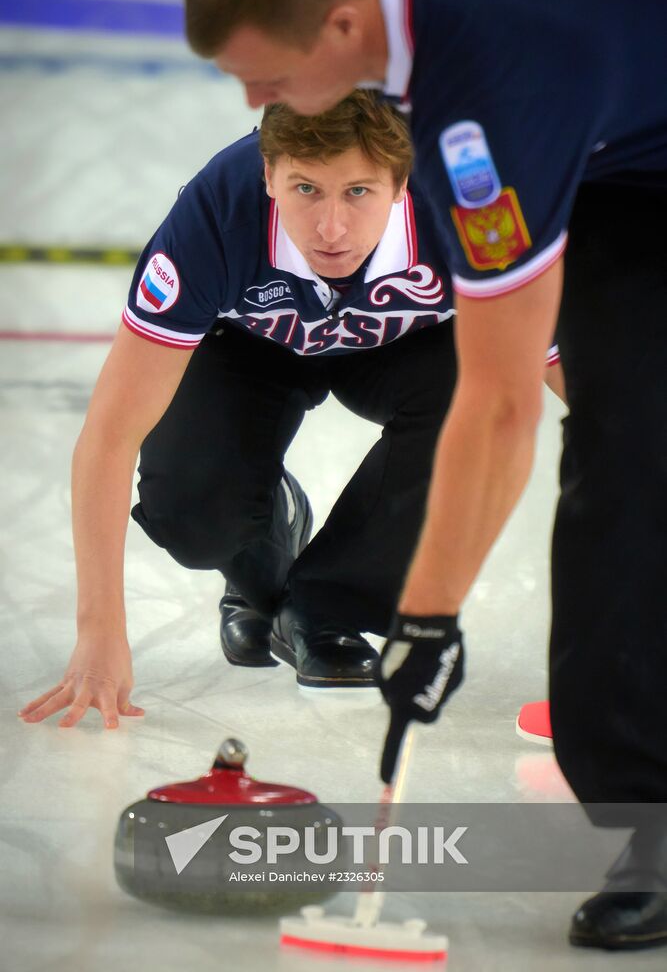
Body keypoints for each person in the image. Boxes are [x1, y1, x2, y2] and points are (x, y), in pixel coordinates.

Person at [183, 0, 667, 951]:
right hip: (618, 160)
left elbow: (493, 409)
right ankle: (651, 825)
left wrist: (427, 615)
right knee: (622, 451)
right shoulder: (424, 81)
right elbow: (505, 383)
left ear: (345, 26)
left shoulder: (483, 96)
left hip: (614, 109)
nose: (252, 107)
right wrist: (426, 614)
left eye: (267, 76)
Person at [17, 90, 463, 722]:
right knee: (193, 520)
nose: (331, 228)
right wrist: (97, 633)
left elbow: (580, 397)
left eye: (358, 191)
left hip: (409, 345)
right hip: (254, 346)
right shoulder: (215, 213)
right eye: (305, 189)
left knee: (485, 398)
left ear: (401, 182)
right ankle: (270, 534)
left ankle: (328, 606)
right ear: (267, 174)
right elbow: (109, 436)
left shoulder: (468, 205)